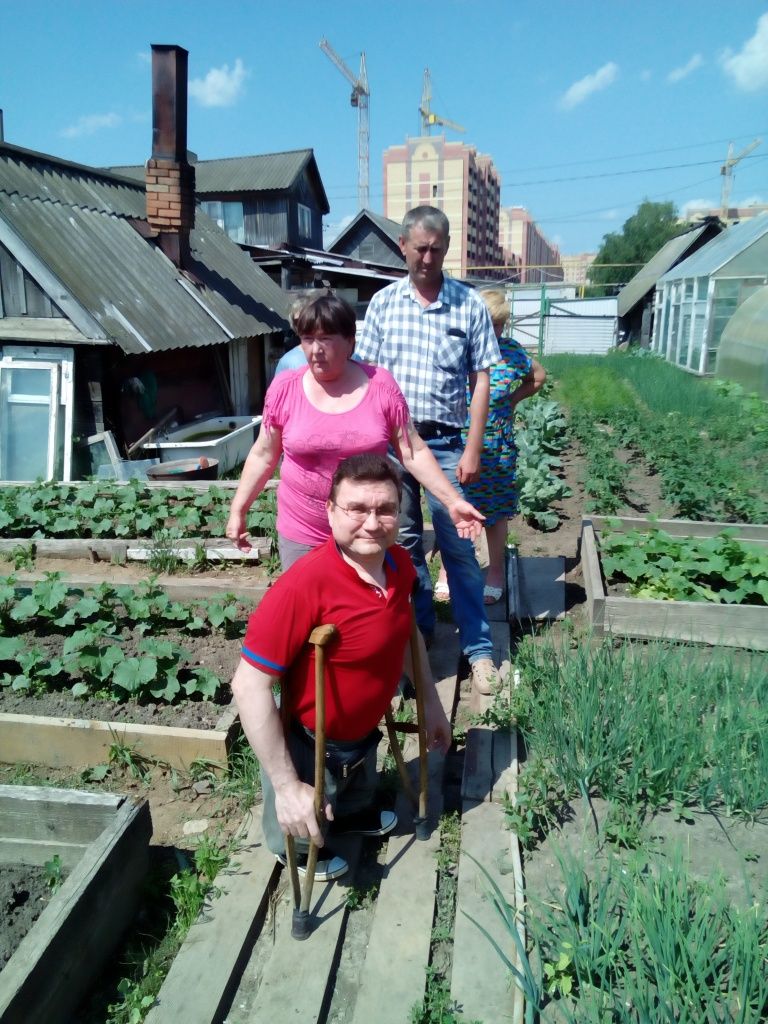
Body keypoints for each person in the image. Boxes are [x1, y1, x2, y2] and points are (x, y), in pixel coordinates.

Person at [231, 453, 452, 880]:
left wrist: (433, 706)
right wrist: (286, 786)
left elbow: (408, 638)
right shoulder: (304, 585)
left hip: (363, 735)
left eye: (385, 509)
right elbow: (248, 685)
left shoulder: (399, 566)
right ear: (331, 511)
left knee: (355, 790)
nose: (372, 523)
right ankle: (291, 849)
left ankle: (350, 814)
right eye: (357, 509)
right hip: (309, 744)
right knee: (304, 823)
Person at [225, 293, 484, 569]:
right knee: (307, 609)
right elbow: (263, 454)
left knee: (364, 607)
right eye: (308, 339)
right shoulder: (284, 389)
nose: (315, 349)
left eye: (326, 339)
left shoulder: (380, 386)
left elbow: (413, 451)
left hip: (365, 529)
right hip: (303, 529)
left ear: (350, 341)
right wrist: (238, 509)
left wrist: (452, 501)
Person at [356, 206, 502, 695]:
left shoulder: (468, 304)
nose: (427, 257)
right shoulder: (383, 304)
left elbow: (482, 379)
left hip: (444, 442)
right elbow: (368, 378)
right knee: (403, 547)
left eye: (437, 249)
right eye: (419, 248)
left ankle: (479, 651)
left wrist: (474, 446)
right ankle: (418, 638)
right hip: (393, 445)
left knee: (459, 546)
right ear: (403, 246)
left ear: (447, 248)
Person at [435, 288, 547, 604]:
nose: (494, 331)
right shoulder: (456, 350)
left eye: (499, 324)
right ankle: (447, 570)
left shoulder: (511, 352)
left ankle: (495, 570)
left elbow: (538, 378)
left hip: (497, 448)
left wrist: (512, 401)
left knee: (495, 514)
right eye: (489, 323)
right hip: (455, 445)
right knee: (451, 509)